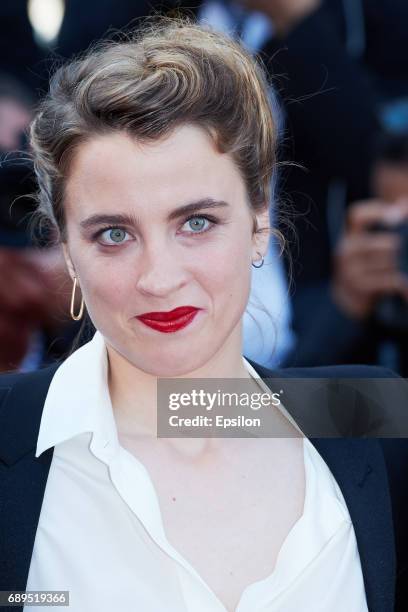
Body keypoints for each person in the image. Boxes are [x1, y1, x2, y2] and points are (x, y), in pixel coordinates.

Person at [0, 16, 407, 612]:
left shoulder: (372, 417)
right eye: (114, 233)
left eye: (197, 222)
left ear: (260, 221)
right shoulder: (11, 432)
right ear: (65, 249)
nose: (159, 278)